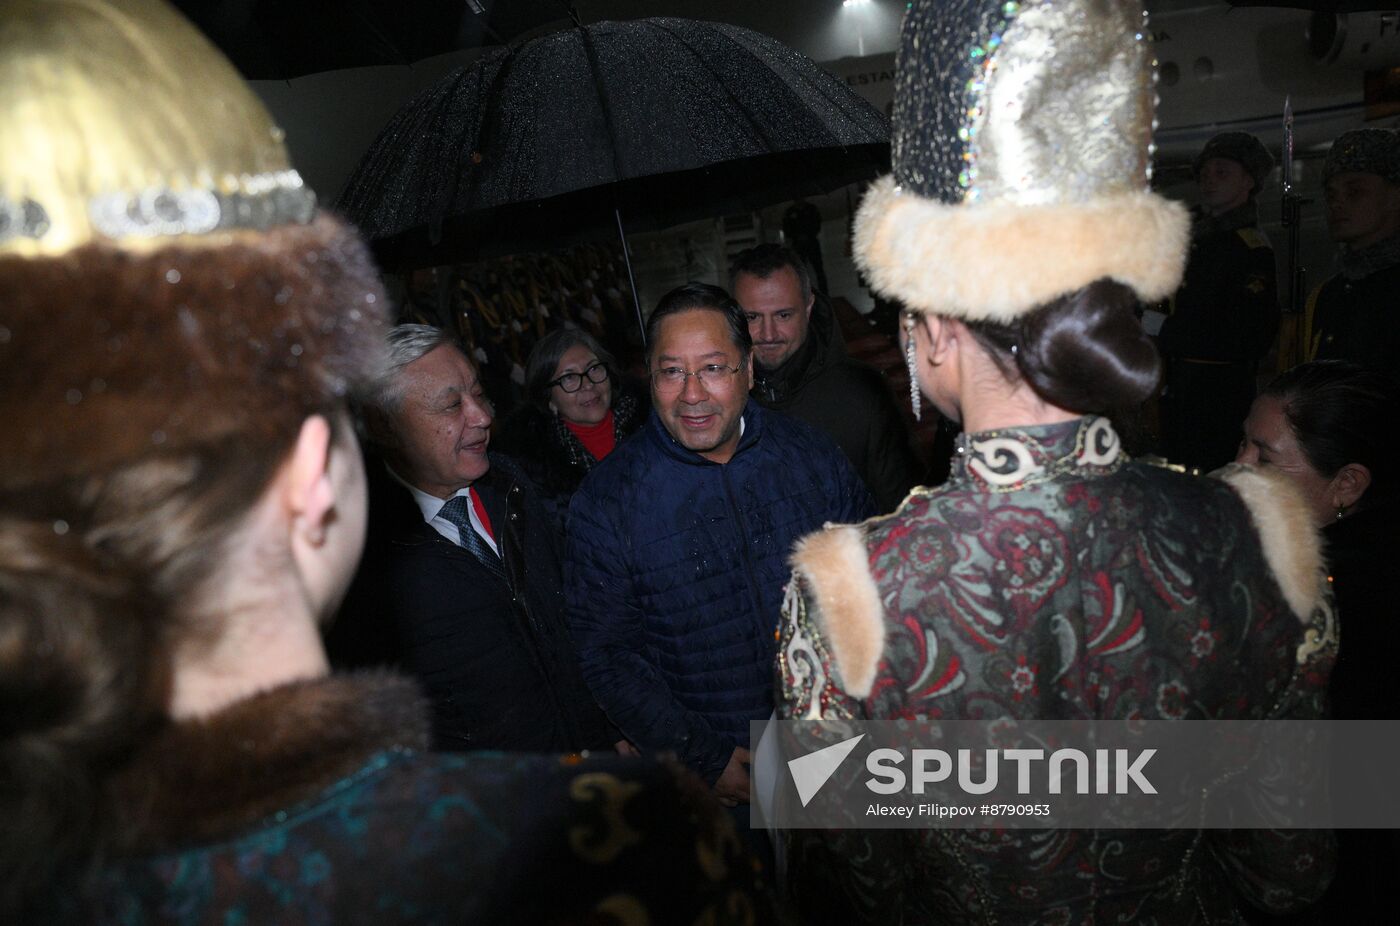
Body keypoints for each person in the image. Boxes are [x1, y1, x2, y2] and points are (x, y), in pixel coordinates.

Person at [0, 3, 773, 921]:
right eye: (448, 404)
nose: (480, 417)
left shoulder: (47, 882)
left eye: (716, 366)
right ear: (315, 471)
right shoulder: (619, 848)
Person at [774, 0, 1336, 922]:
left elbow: (860, 879)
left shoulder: (846, 592)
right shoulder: (1266, 538)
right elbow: (1290, 871)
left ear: (934, 333)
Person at [566, 283, 874, 807]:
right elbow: (607, 655)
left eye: (712, 368)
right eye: (671, 372)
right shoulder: (607, 501)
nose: (691, 394)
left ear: (748, 369)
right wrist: (702, 756)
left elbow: (871, 586)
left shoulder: (811, 457)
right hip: (721, 777)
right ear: (649, 378)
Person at [328, 324, 620, 755]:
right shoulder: (363, 561)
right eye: (451, 405)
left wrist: (609, 726)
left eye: (478, 394)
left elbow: (571, 624)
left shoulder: (511, 485)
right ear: (385, 426)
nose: (482, 417)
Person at [1238, 360, 1400, 923]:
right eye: (1243, 443)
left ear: (1347, 484)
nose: (1240, 465)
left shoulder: (1327, 589)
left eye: (1265, 455)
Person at [732, 243, 919, 511]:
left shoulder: (863, 394)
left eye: (783, 315)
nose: (768, 333)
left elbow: (902, 511)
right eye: (752, 317)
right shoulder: (719, 400)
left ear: (808, 308)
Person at [1157, 131, 1279, 471]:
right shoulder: (1198, 238)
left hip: (1218, 398)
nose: (1209, 181)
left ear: (1248, 181)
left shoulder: (1248, 249)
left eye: (1222, 172)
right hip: (1181, 387)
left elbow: (1247, 338)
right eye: (1205, 173)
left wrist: (1164, 329)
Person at [494, 327, 648, 526]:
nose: (588, 384)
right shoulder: (533, 467)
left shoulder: (652, 424)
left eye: (594, 368)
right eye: (569, 378)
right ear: (548, 398)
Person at [1306, 127, 1400, 369]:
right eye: (1331, 195)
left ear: (1394, 195)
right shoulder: (1328, 294)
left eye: (1354, 191)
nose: (1337, 204)